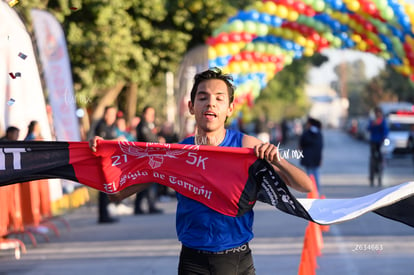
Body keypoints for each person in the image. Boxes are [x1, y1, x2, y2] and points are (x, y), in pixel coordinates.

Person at [89, 67, 313, 274]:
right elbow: (116, 194)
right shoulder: (176, 154)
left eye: (219, 98)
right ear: (191, 106)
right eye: (202, 97)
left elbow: (305, 186)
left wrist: (279, 161)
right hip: (192, 262)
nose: (210, 104)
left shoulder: (246, 146)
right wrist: (101, 157)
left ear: (229, 109)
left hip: (236, 261)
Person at [94, 106, 122, 224]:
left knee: (108, 189)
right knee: (104, 189)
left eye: (113, 114)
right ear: (105, 114)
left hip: (110, 162)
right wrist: (117, 140)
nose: (112, 117)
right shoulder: (101, 126)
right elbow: (102, 143)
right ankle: (103, 216)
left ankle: (106, 214)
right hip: (102, 162)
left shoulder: (112, 127)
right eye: (110, 114)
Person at [134, 106, 163, 215]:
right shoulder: (143, 126)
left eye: (153, 114)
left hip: (149, 158)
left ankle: (146, 206)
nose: (152, 116)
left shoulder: (149, 126)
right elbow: (149, 140)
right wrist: (158, 141)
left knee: (147, 183)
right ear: (144, 114)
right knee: (146, 183)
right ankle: (145, 206)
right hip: (146, 159)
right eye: (149, 114)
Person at [299, 117, 324, 192]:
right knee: (316, 175)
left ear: (310, 124)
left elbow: (301, 145)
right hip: (316, 158)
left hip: (308, 158)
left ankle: (311, 191)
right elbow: (320, 147)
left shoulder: (306, 133)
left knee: (310, 175)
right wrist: (320, 159)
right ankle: (317, 191)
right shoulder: (319, 133)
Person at [367, 107, 389, 185]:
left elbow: (385, 131)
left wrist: (385, 138)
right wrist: (373, 124)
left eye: (379, 112)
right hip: (373, 141)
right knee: (372, 158)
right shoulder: (372, 121)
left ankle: (380, 174)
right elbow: (368, 128)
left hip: (380, 142)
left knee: (381, 157)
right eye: (376, 113)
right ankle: (372, 176)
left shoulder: (383, 121)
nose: (378, 114)